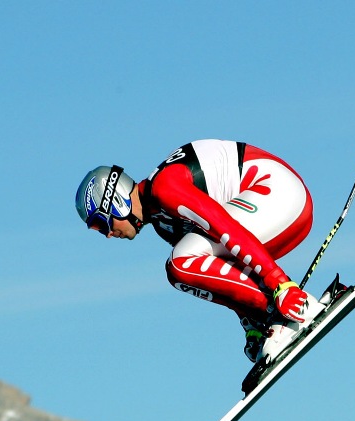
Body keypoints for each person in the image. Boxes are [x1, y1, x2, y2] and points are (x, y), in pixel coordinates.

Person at [75, 139, 325, 364]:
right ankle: (271, 316)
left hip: (278, 193)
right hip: (278, 212)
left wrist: (280, 284)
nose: (108, 234)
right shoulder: (164, 225)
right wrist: (251, 325)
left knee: (180, 263)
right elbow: (225, 271)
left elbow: (225, 227)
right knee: (184, 265)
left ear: (116, 201)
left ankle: (288, 312)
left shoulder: (164, 187)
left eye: (101, 224)